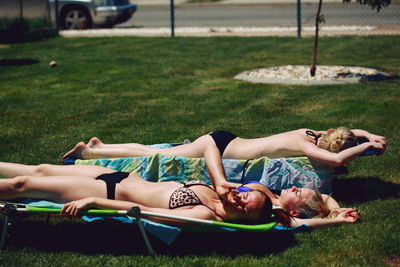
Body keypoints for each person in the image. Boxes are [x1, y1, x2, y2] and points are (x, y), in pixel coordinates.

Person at [1, 143, 359, 228]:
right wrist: (335, 213)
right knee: (42, 168)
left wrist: (91, 204)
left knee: (22, 184)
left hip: (102, 193)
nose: (241, 196)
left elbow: (139, 210)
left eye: (242, 205)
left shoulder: (204, 213)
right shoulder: (231, 193)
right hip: (118, 177)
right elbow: (296, 220)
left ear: (237, 216)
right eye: (247, 195)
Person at [63, 127, 387, 167]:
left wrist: (369, 136)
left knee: (155, 148)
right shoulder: (312, 148)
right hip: (219, 149)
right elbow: (336, 159)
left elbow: (345, 130)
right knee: (154, 154)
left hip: (225, 138)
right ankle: (89, 153)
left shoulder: (309, 131)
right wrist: (362, 147)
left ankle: (101, 145)